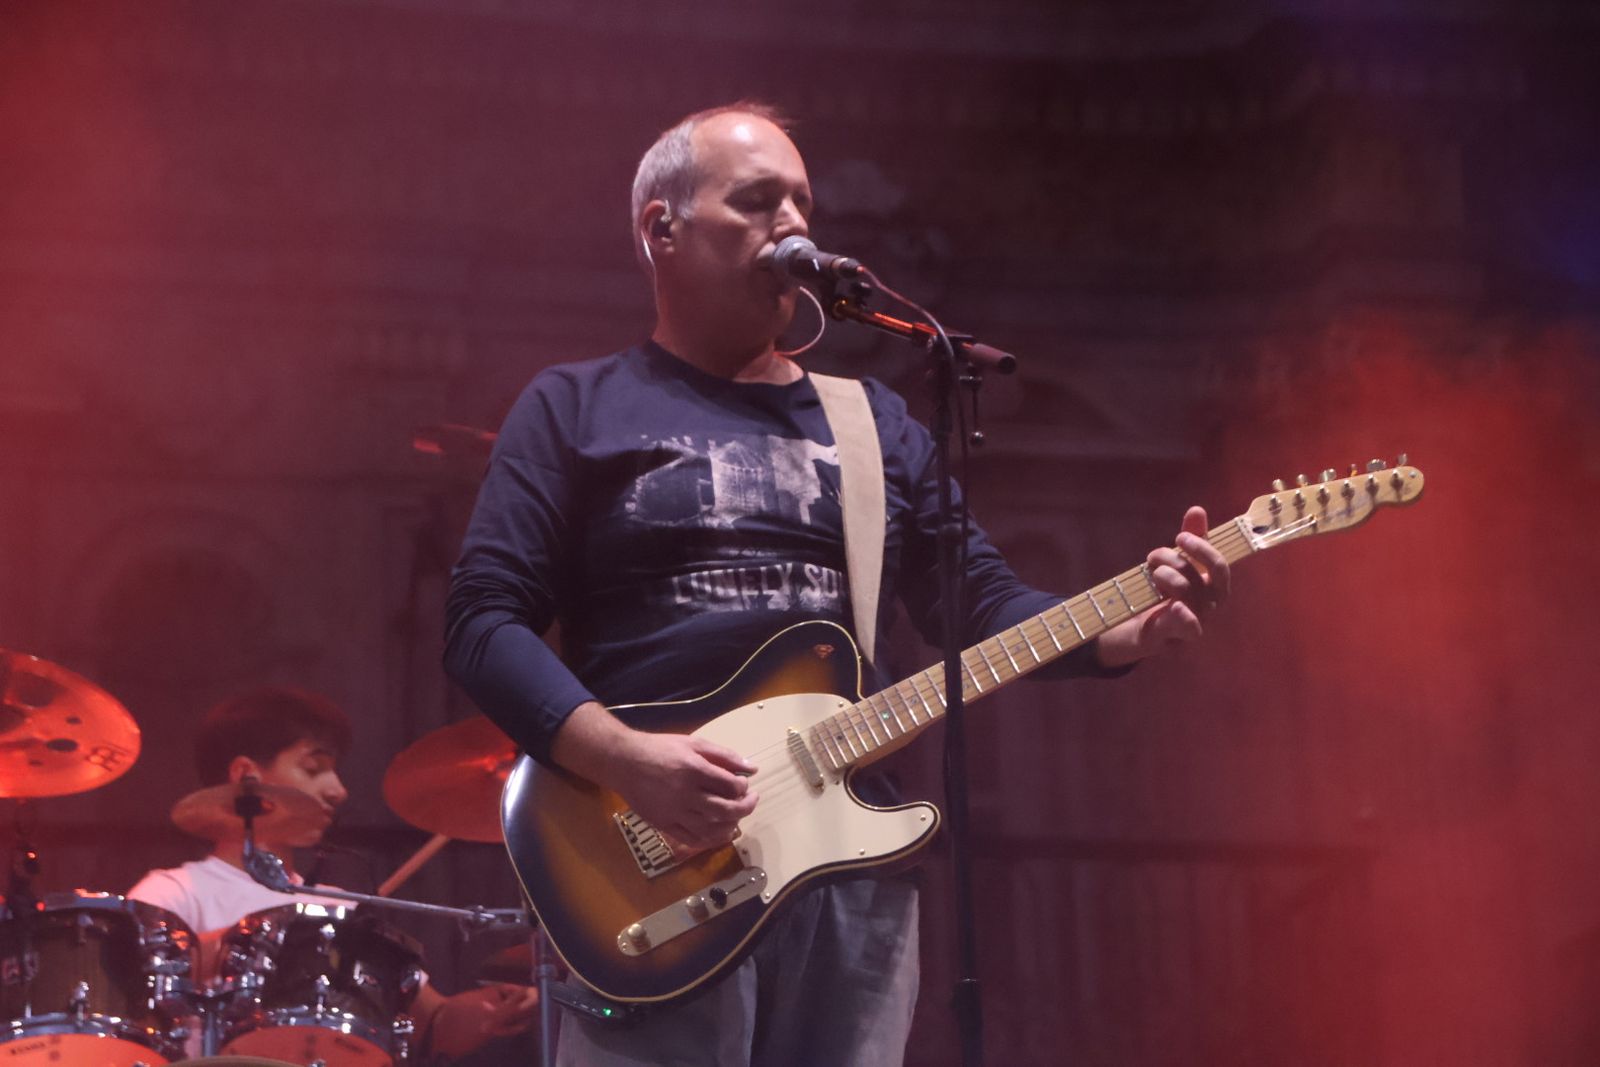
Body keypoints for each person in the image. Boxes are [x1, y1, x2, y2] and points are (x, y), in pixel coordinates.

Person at [443, 103, 1230, 1066]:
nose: (794, 227)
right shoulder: (574, 407)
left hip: (846, 870)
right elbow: (483, 622)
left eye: (804, 205)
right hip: (647, 866)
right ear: (663, 229)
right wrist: (626, 759)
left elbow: (980, 605)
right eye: (758, 200)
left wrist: (1126, 631)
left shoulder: (873, 425)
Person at [128, 685, 538, 1060]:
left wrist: (487, 1013)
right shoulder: (174, 892)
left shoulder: (333, 906)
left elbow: (433, 1021)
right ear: (246, 777)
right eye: (313, 768)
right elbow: (125, 995)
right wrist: (241, 946)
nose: (338, 790)